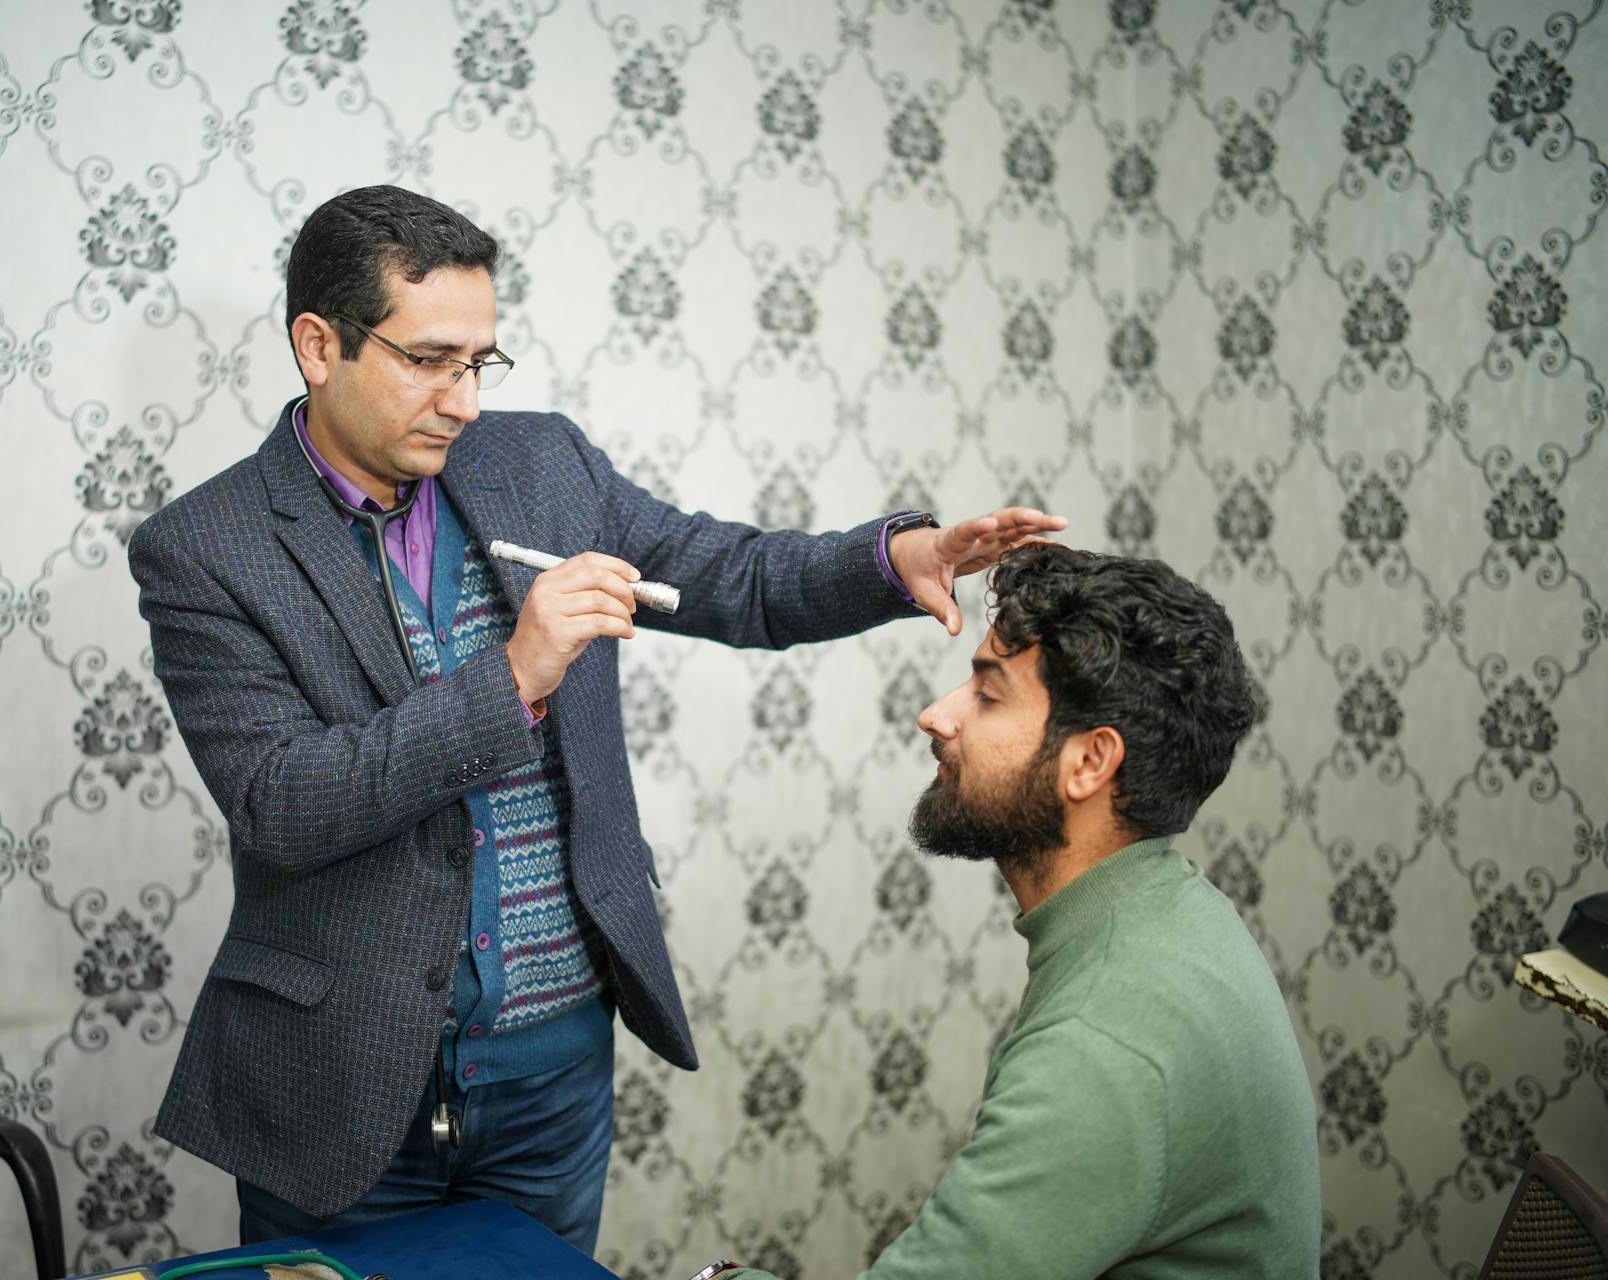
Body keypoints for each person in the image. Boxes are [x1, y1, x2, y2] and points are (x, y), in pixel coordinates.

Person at [126, 183, 1068, 1252]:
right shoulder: (205, 548)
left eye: (479, 362)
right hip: (338, 1080)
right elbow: (283, 803)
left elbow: (733, 575)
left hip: (552, 1076)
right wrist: (514, 673)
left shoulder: (542, 462)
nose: (463, 400)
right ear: (318, 345)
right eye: (429, 359)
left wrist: (894, 560)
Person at [701, 543, 1319, 1279]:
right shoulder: (1175, 908)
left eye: (988, 696)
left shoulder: (1105, 1043)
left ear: (1090, 763)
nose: (936, 715)